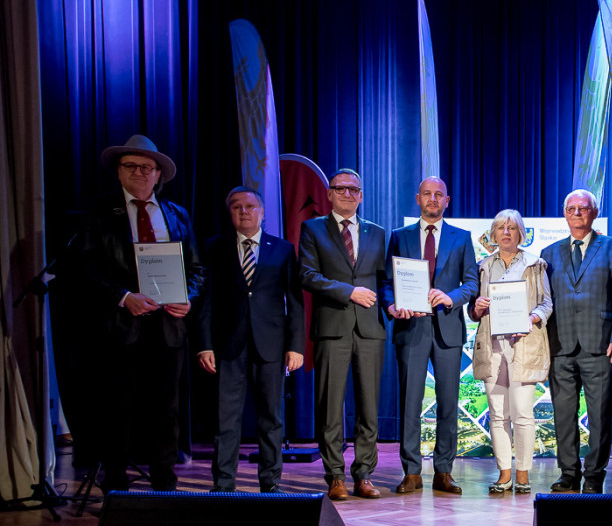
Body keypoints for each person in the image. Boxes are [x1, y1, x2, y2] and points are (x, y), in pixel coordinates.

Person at [79, 134, 205, 491]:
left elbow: (196, 269)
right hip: (121, 326)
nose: (139, 172)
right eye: (131, 166)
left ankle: (165, 485)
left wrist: (188, 298)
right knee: (118, 407)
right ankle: (116, 484)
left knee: (166, 410)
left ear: (158, 174)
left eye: (146, 167)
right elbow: (86, 269)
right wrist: (122, 297)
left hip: (168, 326)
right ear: (119, 172)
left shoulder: (176, 214)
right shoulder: (99, 212)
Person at [197, 186, 304, 493]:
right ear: (229, 212)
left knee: (271, 417)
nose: (243, 211)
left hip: (271, 345)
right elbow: (206, 300)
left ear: (262, 212)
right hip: (228, 346)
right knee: (226, 419)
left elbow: (295, 302)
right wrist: (205, 344)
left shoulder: (282, 249)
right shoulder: (214, 247)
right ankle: (223, 484)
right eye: (236, 207)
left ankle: (270, 483)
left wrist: (295, 347)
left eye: (249, 206)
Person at [381, 176, 479, 495]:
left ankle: (444, 471)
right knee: (410, 402)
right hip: (411, 328)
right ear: (418, 198)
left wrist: (451, 297)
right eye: (427, 194)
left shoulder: (461, 237)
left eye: (439, 194)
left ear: (447, 201)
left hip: (448, 328)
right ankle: (411, 472)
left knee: (448, 402)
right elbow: (386, 282)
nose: (433, 199)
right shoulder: (400, 237)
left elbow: (471, 283)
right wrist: (392, 304)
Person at [299, 168, 389, 501]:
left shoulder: (377, 232)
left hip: (369, 329)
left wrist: (394, 304)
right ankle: (335, 475)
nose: (347, 194)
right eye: (340, 188)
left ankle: (363, 474)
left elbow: (384, 280)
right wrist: (349, 291)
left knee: (369, 406)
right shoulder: (313, 229)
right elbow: (307, 275)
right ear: (329, 193)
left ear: (361, 195)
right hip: (332, 328)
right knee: (330, 406)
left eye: (353, 189)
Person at [542, 189, 612, 494]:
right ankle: (568, 473)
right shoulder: (549, 253)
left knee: (600, 416)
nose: (577, 213)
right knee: (563, 414)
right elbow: (542, 300)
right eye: (571, 209)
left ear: (594, 212)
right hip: (560, 345)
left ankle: (594, 476)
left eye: (583, 208)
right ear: (564, 214)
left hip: (601, 345)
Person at [469, 210, 553, 494]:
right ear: (493, 234)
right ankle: (504, 474)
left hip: (524, 345)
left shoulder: (535, 264)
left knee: (522, 413)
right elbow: (473, 310)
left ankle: (523, 475)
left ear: (521, 233)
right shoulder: (483, 266)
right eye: (501, 228)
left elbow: (547, 303)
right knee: (497, 414)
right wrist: (476, 307)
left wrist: (531, 318)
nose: (506, 233)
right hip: (492, 347)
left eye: (512, 228)